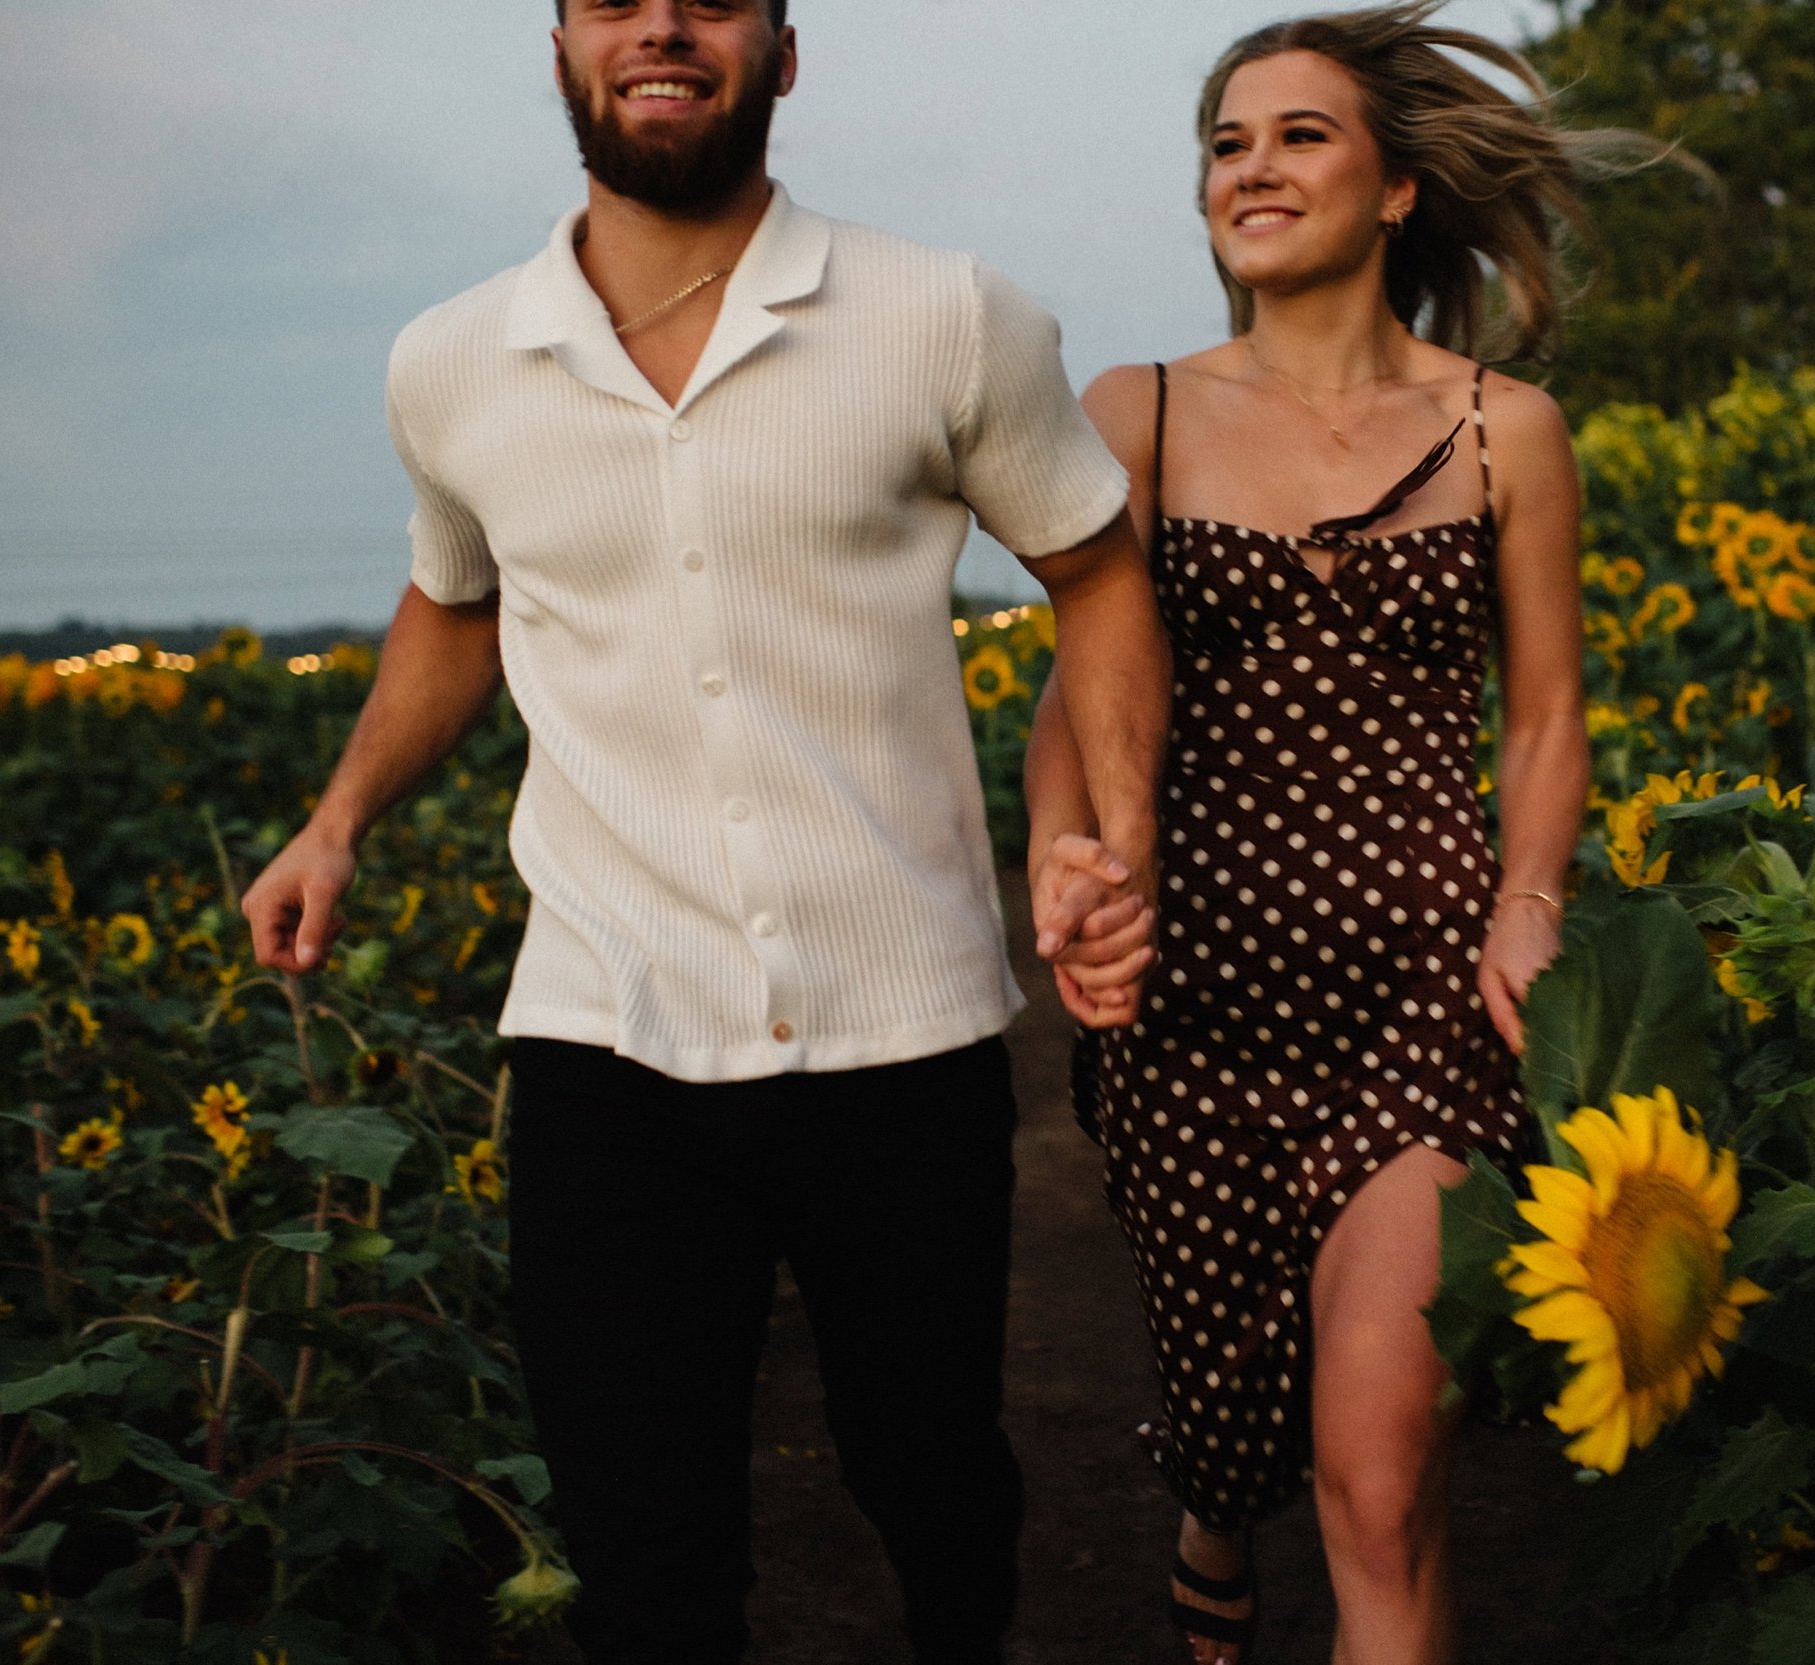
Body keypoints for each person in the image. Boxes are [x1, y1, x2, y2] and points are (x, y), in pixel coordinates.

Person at [240, 3, 1165, 1661]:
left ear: (783, 52)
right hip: (607, 1029)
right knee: (646, 1544)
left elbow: (1095, 566)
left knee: (934, 1482)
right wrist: (338, 819)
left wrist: (1112, 830)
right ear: (561, 50)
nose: (660, 21)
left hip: (906, 1032)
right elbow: (456, 601)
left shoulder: (944, 316)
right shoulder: (451, 360)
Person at [1024, 5, 1638, 1660]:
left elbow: (1546, 714)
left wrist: (1526, 900)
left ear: (1396, 192)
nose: (1254, 167)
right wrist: (1065, 863)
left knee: (1377, 1472)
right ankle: (1216, 1514)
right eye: (1229, 142)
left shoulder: (1506, 429)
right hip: (1197, 1005)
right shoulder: (1132, 412)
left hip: (1426, 996)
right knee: (1233, 1408)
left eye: (1300, 134)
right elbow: (1072, 704)